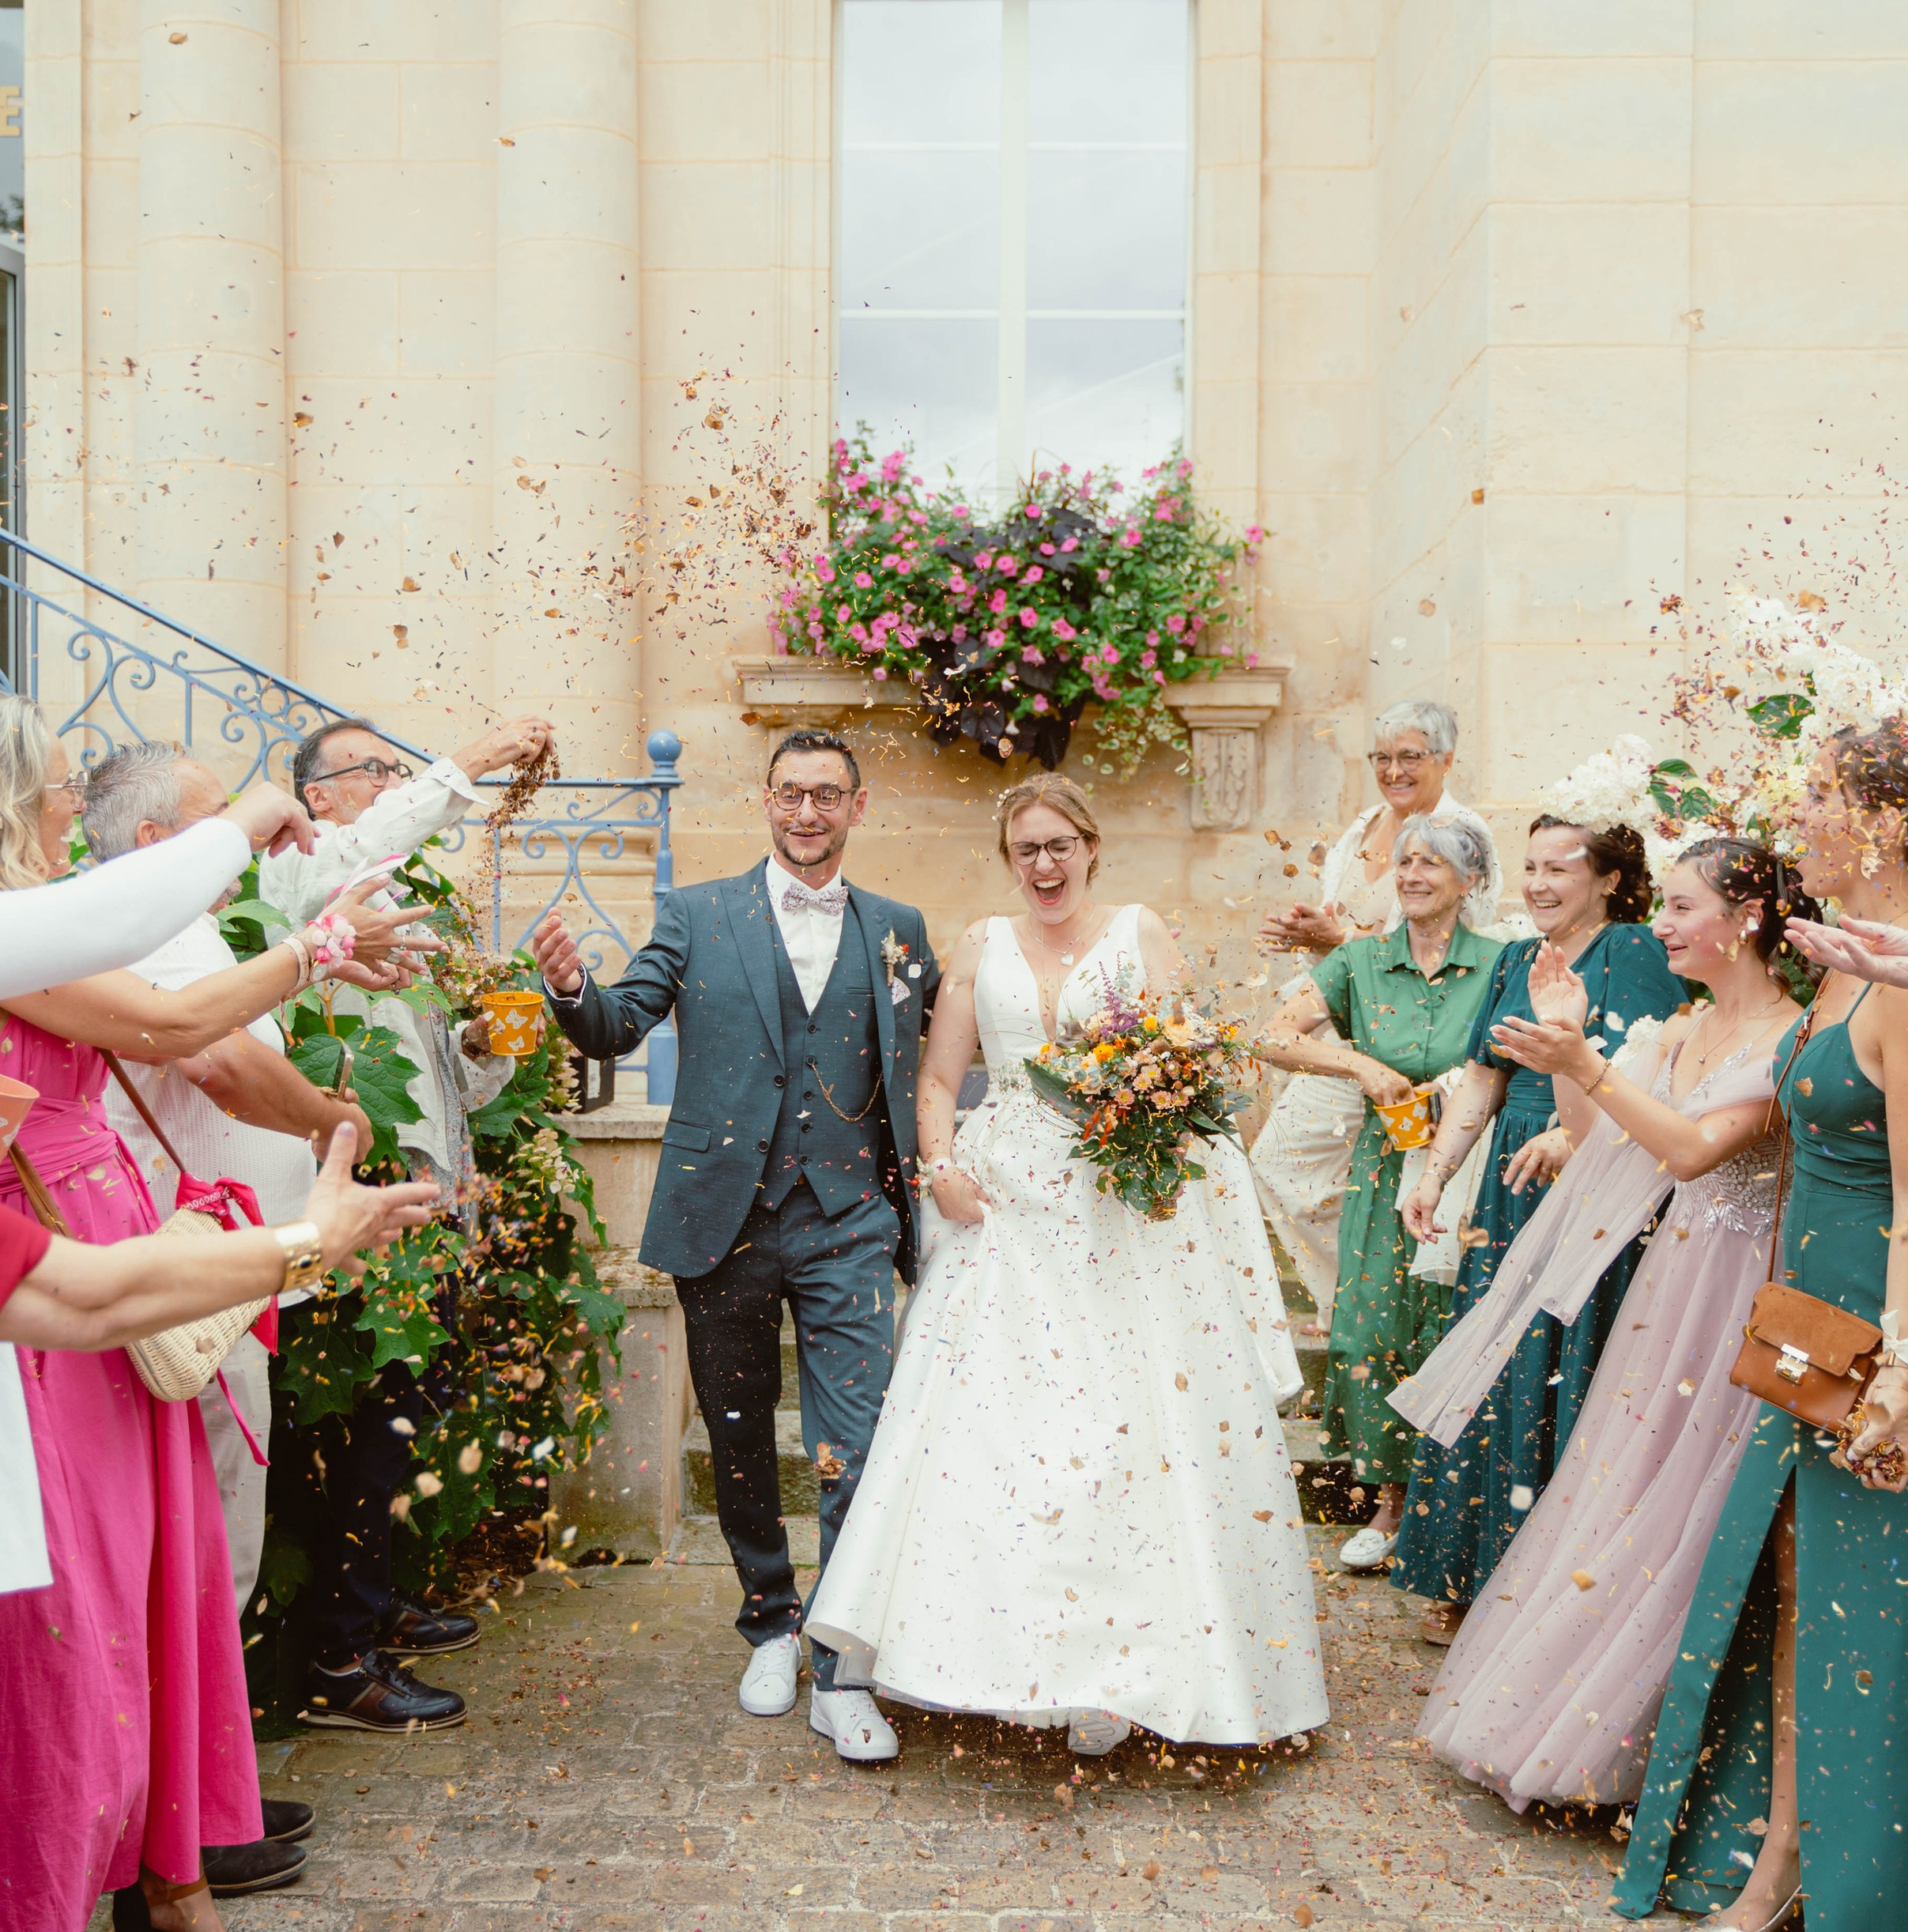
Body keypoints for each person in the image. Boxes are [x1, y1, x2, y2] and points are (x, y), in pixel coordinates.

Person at [0, 685, 424, 1932]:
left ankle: (167, 1883)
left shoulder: (27, 911)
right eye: (59, 786)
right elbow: (161, 1024)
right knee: (49, 1612)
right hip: (32, 1274)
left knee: (167, 1582)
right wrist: (313, 936)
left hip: (124, 1246)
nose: (75, 806)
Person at [801, 774, 1327, 1758]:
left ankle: (1117, 1672)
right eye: (1025, 850)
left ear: (1089, 847)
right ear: (1009, 861)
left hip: (1118, 1209)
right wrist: (942, 1167)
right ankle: (989, 1654)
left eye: (1058, 846)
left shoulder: (1140, 932)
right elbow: (939, 1078)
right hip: (1002, 1209)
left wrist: (1154, 1132)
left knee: (1123, 1428)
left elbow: (1186, 1065)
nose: (1043, 865)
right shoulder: (978, 946)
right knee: (998, 1424)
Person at [531, 729, 938, 1763]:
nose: (807, 813)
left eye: (827, 797)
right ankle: (771, 1617)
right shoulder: (696, 913)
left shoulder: (901, 930)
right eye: (791, 794)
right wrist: (574, 990)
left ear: (857, 807)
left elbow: (943, 1058)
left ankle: (845, 1664)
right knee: (742, 1437)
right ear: (767, 801)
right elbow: (620, 1025)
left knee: (858, 1438)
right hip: (726, 1219)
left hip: (852, 1219)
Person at [1617, 729, 1908, 1932]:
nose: (1803, 817)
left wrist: (1901, 1360)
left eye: (1825, 800)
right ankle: (1781, 1861)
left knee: (1870, 1618)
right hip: (1805, 1319)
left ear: (1892, 823)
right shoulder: (1846, 965)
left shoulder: (1904, 988)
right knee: (1797, 1591)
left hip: (1878, 1322)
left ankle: (1850, 1892)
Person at [1410, 840, 1800, 1810]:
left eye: (1678, 908)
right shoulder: (1678, 1030)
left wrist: (1585, 1059)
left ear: (1744, 919)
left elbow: (1694, 1153)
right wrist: (1571, 1045)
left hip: (1742, 1286)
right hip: (1670, 1284)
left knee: (1690, 1489)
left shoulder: (1790, 1037)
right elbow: (1598, 1145)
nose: (1659, 926)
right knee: (1623, 1478)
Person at [259, 709, 552, 1730]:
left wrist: (482, 1041)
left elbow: (451, 1091)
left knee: (402, 1424)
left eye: (398, 768)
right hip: (352, 1215)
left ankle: (375, 1609)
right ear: (319, 802)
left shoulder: (396, 913)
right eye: (370, 771)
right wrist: (462, 766)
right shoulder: (296, 886)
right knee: (358, 1436)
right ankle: (338, 1662)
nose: (392, 782)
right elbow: (360, 855)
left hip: (423, 1206)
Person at [83, 741, 370, 1621]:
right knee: (209, 1544)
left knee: (212, 1532)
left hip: (220, 1266)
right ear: (153, 837)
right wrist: (335, 1129)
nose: (240, 845)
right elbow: (219, 1062)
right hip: (191, 1279)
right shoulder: (156, 923)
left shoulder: (170, 922)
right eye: (221, 826)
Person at [1392, 819, 1677, 1643]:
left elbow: (1653, 1066)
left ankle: (1551, 1587)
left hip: (1594, 1180)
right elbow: (1482, 1077)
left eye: (1561, 868)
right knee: (1493, 1363)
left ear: (1611, 881)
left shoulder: (1634, 951)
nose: (1539, 883)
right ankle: (1469, 1573)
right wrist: (1437, 1173)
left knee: (1560, 1366)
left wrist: (1569, 1132)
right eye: (1530, 867)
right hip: (1507, 1185)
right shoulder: (1515, 959)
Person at [1254, 813, 1502, 1572]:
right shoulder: (1359, 962)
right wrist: (1358, 1067)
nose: (1414, 875)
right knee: (1371, 1336)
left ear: (1470, 882)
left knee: (1451, 1334)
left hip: (1470, 1171)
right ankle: (1390, 1504)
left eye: (1432, 864)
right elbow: (1270, 1036)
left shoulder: (1500, 963)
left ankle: (1450, 1508)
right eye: (1406, 862)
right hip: (1382, 1169)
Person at [1250, 700, 1504, 1319]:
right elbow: (1345, 926)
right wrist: (1313, 931)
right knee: (1278, 1162)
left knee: (1404, 1181)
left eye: (1410, 756)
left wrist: (1334, 942)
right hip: (1342, 1030)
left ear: (1446, 759)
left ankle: (1400, 1305)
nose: (1393, 770)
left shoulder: (1464, 832)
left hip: (1419, 1037)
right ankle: (1354, 1299)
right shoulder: (1362, 825)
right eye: (1382, 757)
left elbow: (1446, 942)